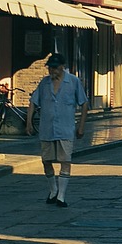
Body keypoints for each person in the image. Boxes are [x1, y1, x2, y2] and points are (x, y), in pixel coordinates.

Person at [26, 54, 88, 207]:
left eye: (54, 67)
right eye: (49, 67)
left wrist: (81, 126)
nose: (51, 70)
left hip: (65, 128)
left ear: (62, 67)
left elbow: (84, 103)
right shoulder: (44, 83)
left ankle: (61, 195)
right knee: (46, 160)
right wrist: (28, 123)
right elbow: (33, 102)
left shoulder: (73, 82)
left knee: (65, 160)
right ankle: (53, 189)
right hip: (47, 128)